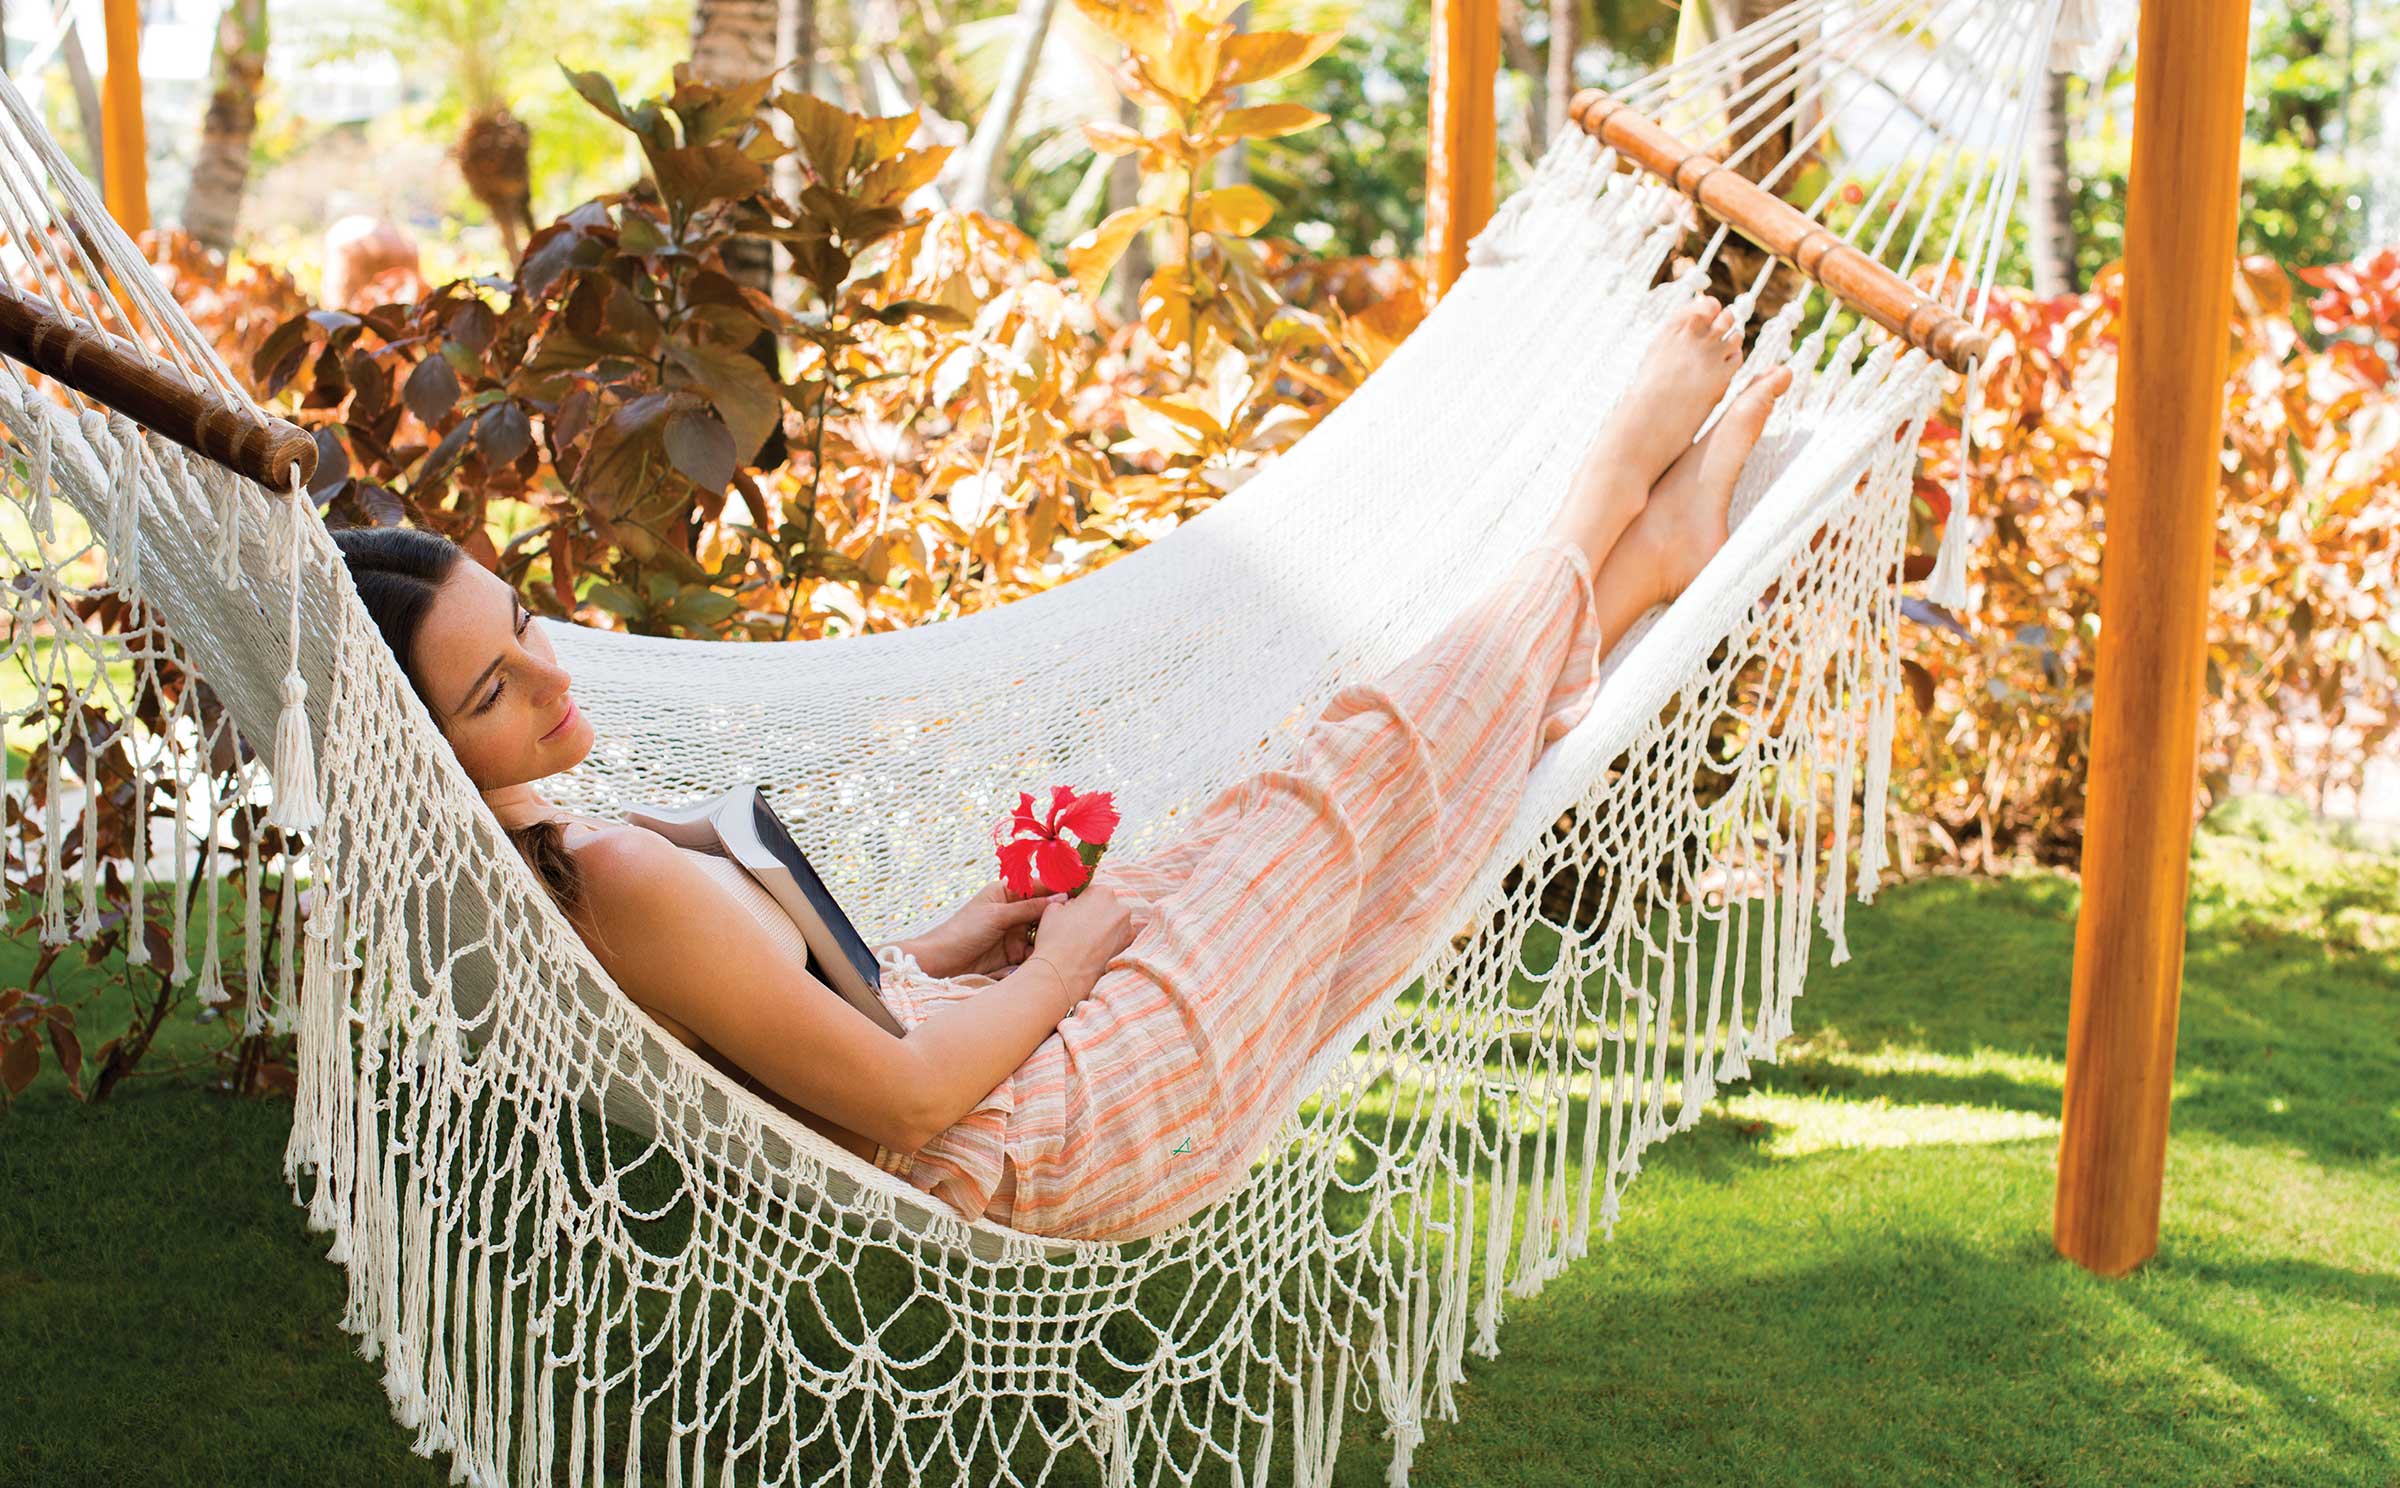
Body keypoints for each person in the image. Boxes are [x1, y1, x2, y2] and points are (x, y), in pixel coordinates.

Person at [336, 293, 1791, 1242]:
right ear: (430, 751)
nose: (550, 677)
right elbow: (900, 1108)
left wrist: (971, 940)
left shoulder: (559, 858)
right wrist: (1061, 967)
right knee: (1347, 778)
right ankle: (1604, 507)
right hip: (1051, 1131)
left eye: (523, 627)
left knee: (1275, 806)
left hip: (995, 1056)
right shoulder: (607, 877)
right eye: (493, 691)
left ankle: (1625, 567)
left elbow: (789, 1027)